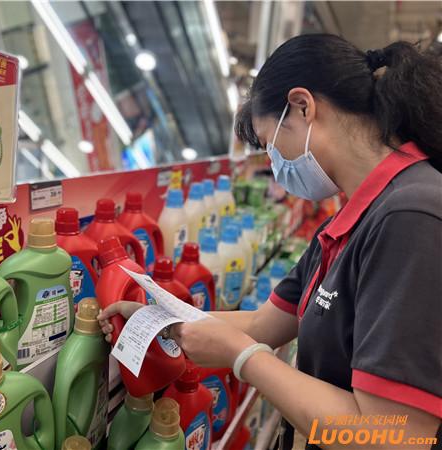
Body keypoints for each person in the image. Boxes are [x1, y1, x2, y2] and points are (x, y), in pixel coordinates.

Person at [99, 34, 442, 450]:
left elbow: (397, 437)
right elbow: (263, 325)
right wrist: (159, 320)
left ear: (303, 106)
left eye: (272, 147)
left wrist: (244, 359)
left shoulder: (411, 216)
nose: (276, 167)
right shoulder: (348, 221)